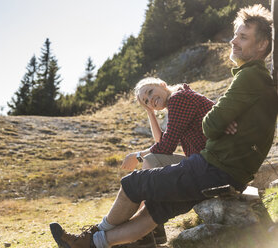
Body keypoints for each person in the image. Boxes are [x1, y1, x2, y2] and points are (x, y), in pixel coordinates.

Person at [49, 4, 278, 248]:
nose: (233, 41)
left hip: (212, 167)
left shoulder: (248, 76)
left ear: (262, 45)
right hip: (227, 171)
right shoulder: (258, 80)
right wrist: (219, 117)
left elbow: (207, 127)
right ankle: (93, 243)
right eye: (235, 35)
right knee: (153, 212)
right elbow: (204, 124)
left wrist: (218, 119)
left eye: (243, 37)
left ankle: (92, 234)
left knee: (132, 184)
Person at [120, 78, 214, 246]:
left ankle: (146, 231)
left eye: (150, 92)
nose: (151, 100)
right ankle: (150, 230)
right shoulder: (177, 99)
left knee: (150, 160)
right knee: (151, 160)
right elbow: (161, 141)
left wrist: (137, 155)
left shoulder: (179, 99)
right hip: (202, 161)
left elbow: (166, 147)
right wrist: (150, 112)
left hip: (208, 164)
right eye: (146, 101)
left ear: (162, 85)